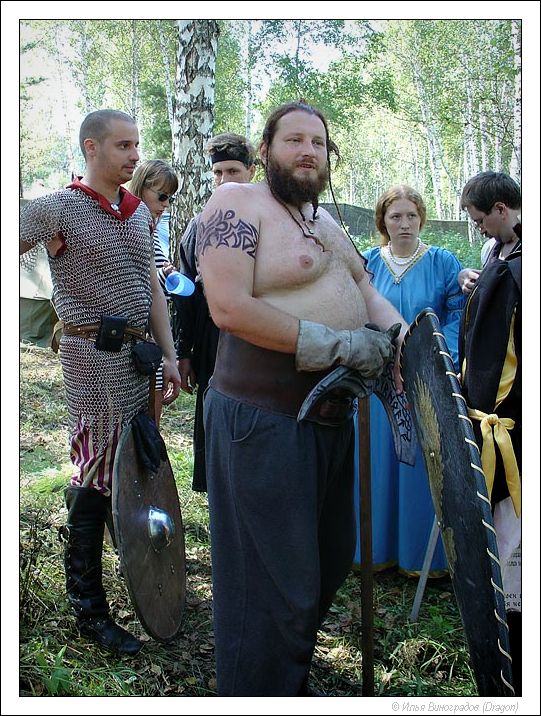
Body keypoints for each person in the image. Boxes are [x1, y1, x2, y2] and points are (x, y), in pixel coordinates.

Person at [195, 100, 407, 696]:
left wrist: (401, 337)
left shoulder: (328, 223)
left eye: (318, 141)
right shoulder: (235, 204)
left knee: (327, 563)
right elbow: (228, 308)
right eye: (294, 140)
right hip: (263, 419)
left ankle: (282, 679)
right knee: (269, 585)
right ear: (266, 150)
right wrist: (336, 344)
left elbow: (367, 292)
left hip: (332, 419)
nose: (308, 151)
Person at [19, 110, 182, 656]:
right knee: (92, 475)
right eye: (123, 145)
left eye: (137, 144)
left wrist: (170, 355)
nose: (135, 155)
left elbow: (153, 288)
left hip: (138, 358)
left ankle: (137, 574)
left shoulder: (136, 215)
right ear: (92, 148)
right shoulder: (58, 208)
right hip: (91, 357)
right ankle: (89, 609)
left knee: (134, 465)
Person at [354, 185, 466, 576]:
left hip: (423, 379)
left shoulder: (442, 262)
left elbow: (458, 315)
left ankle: (420, 557)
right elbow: (353, 310)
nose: (405, 224)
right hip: (375, 382)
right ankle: (374, 550)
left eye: (412, 216)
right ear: (383, 221)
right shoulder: (368, 262)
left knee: (420, 463)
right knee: (376, 463)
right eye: (396, 216)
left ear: (422, 219)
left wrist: (429, 354)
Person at [458, 171, 521, 694]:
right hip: (491, 419)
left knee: (516, 528)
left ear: (502, 209)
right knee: (501, 528)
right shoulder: (497, 253)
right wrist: (474, 285)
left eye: (481, 220)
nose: (479, 229)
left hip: (514, 420)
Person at [172, 133, 256, 492]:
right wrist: (184, 352)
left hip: (262, 341)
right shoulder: (199, 225)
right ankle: (220, 500)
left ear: (251, 171)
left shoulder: (272, 221)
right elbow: (186, 297)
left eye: (233, 171)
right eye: (218, 173)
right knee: (214, 421)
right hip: (212, 342)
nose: (224, 180)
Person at [129, 159, 180, 427]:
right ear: (142, 188)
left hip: (150, 347)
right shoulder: (128, 226)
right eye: (161, 196)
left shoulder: (151, 230)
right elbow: (137, 285)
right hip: (127, 348)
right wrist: (163, 277)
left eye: (169, 198)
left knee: (149, 434)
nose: (165, 204)